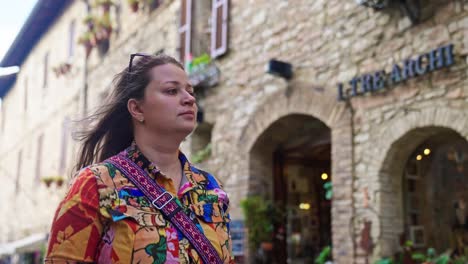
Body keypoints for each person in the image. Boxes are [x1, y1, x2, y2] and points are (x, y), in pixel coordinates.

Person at [45, 53, 233, 263]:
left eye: (190, 92)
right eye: (172, 90)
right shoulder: (95, 184)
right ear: (137, 108)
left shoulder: (210, 188)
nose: (189, 98)